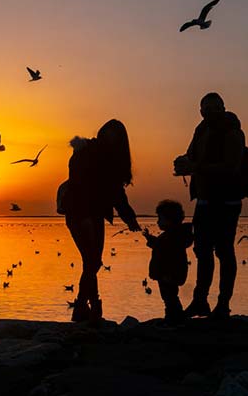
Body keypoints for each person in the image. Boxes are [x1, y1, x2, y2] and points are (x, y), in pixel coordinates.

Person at [62, 119, 143, 322]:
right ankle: (86, 306)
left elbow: (116, 193)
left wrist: (129, 218)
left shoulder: (94, 154)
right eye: (109, 135)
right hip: (83, 213)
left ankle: (87, 308)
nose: (111, 140)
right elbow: (105, 190)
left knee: (91, 262)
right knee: (93, 262)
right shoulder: (92, 155)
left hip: (87, 214)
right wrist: (129, 218)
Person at [173, 92, 245, 320]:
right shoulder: (200, 130)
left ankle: (223, 305)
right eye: (205, 108)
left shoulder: (234, 132)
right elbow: (193, 156)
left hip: (227, 201)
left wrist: (194, 167)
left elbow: (231, 167)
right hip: (204, 200)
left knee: (224, 251)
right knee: (202, 252)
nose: (209, 112)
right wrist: (183, 163)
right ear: (200, 111)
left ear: (223, 108)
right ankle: (199, 301)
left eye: (215, 107)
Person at [143, 200, 193, 325]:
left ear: (169, 220)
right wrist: (150, 239)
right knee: (170, 296)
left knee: (169, 296)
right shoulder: (172, 235)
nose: (158, 222)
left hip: (169, 273)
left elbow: (163, 248)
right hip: (168, 272)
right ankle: (174, 316)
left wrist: (152, 241)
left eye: (160, 218)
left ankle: (174, 318)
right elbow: (161, 246)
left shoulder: (172, 237)